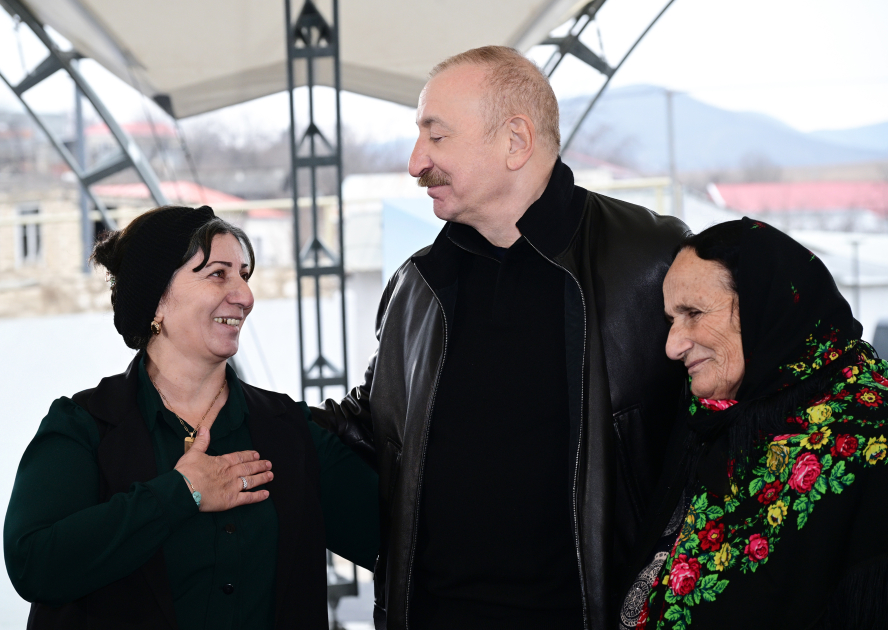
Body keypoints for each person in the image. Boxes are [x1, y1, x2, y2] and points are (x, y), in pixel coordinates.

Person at [310, 46, 688, 630]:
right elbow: (375, 432)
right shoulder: (416, 286)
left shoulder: (650, 260)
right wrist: (244, 417)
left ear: (516, 141)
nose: (416, 162)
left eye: (436, 138)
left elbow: (723, 432)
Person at [4, 205, 379, 629]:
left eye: (244, 274)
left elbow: (405, 542)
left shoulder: (288, 430)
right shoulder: (84, 427)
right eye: (219, 273)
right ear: (157, 300)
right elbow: (34, 563)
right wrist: (182, 493)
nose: (245, 295)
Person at [620, 218, 888, 629]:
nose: (673, 346)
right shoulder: (716, 416)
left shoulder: (869, 434)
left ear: (767, 303)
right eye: (671, 319)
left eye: (693, 312)